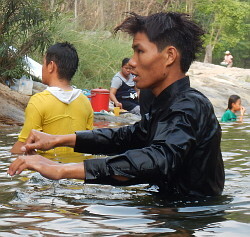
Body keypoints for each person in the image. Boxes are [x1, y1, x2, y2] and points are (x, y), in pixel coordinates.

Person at [8, 12, 225, 198]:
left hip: (190, 219)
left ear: (169, 56)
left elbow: (157, 159)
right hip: (168, 211)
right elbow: (127, 137)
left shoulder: (189, 105)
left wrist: (63, 170)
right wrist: (58, 140)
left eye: (139, 51)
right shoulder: (166, 106)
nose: (131, 61)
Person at [10, 42, 93, 155]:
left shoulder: (39, 101)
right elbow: (90, 143)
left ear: (51, 66)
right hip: (76, 169)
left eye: (43, 63)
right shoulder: (85, 102)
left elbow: (24, 146)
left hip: (46, 170)